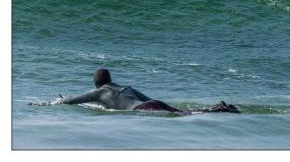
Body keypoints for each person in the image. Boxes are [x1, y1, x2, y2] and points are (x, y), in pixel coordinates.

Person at [53, 69, 239, 114]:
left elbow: (73, 100)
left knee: (186, 114)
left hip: (144, 109)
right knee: (185, 112)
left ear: (97, 84)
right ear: (110, 79)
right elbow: (150, 100)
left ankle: (219, 110)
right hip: (153, 103)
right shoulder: (126, 87)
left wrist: (54, 102)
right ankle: (218, 108)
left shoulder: (100, 92)